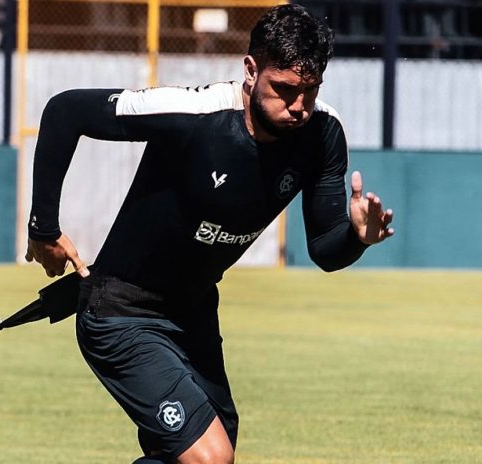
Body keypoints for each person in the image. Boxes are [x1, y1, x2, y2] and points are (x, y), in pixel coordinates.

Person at [25, 4, 394, 463]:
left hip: (194, 314)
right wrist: (44, 229)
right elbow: (64, 112)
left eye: (311, 90)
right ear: (251, 70)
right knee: (210, 456)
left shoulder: (323, 134)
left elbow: (325, 249)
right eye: (284, 89)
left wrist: (358, 237)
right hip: (121, 311)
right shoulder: (194, 113)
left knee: (211, 452)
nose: (299, 106)